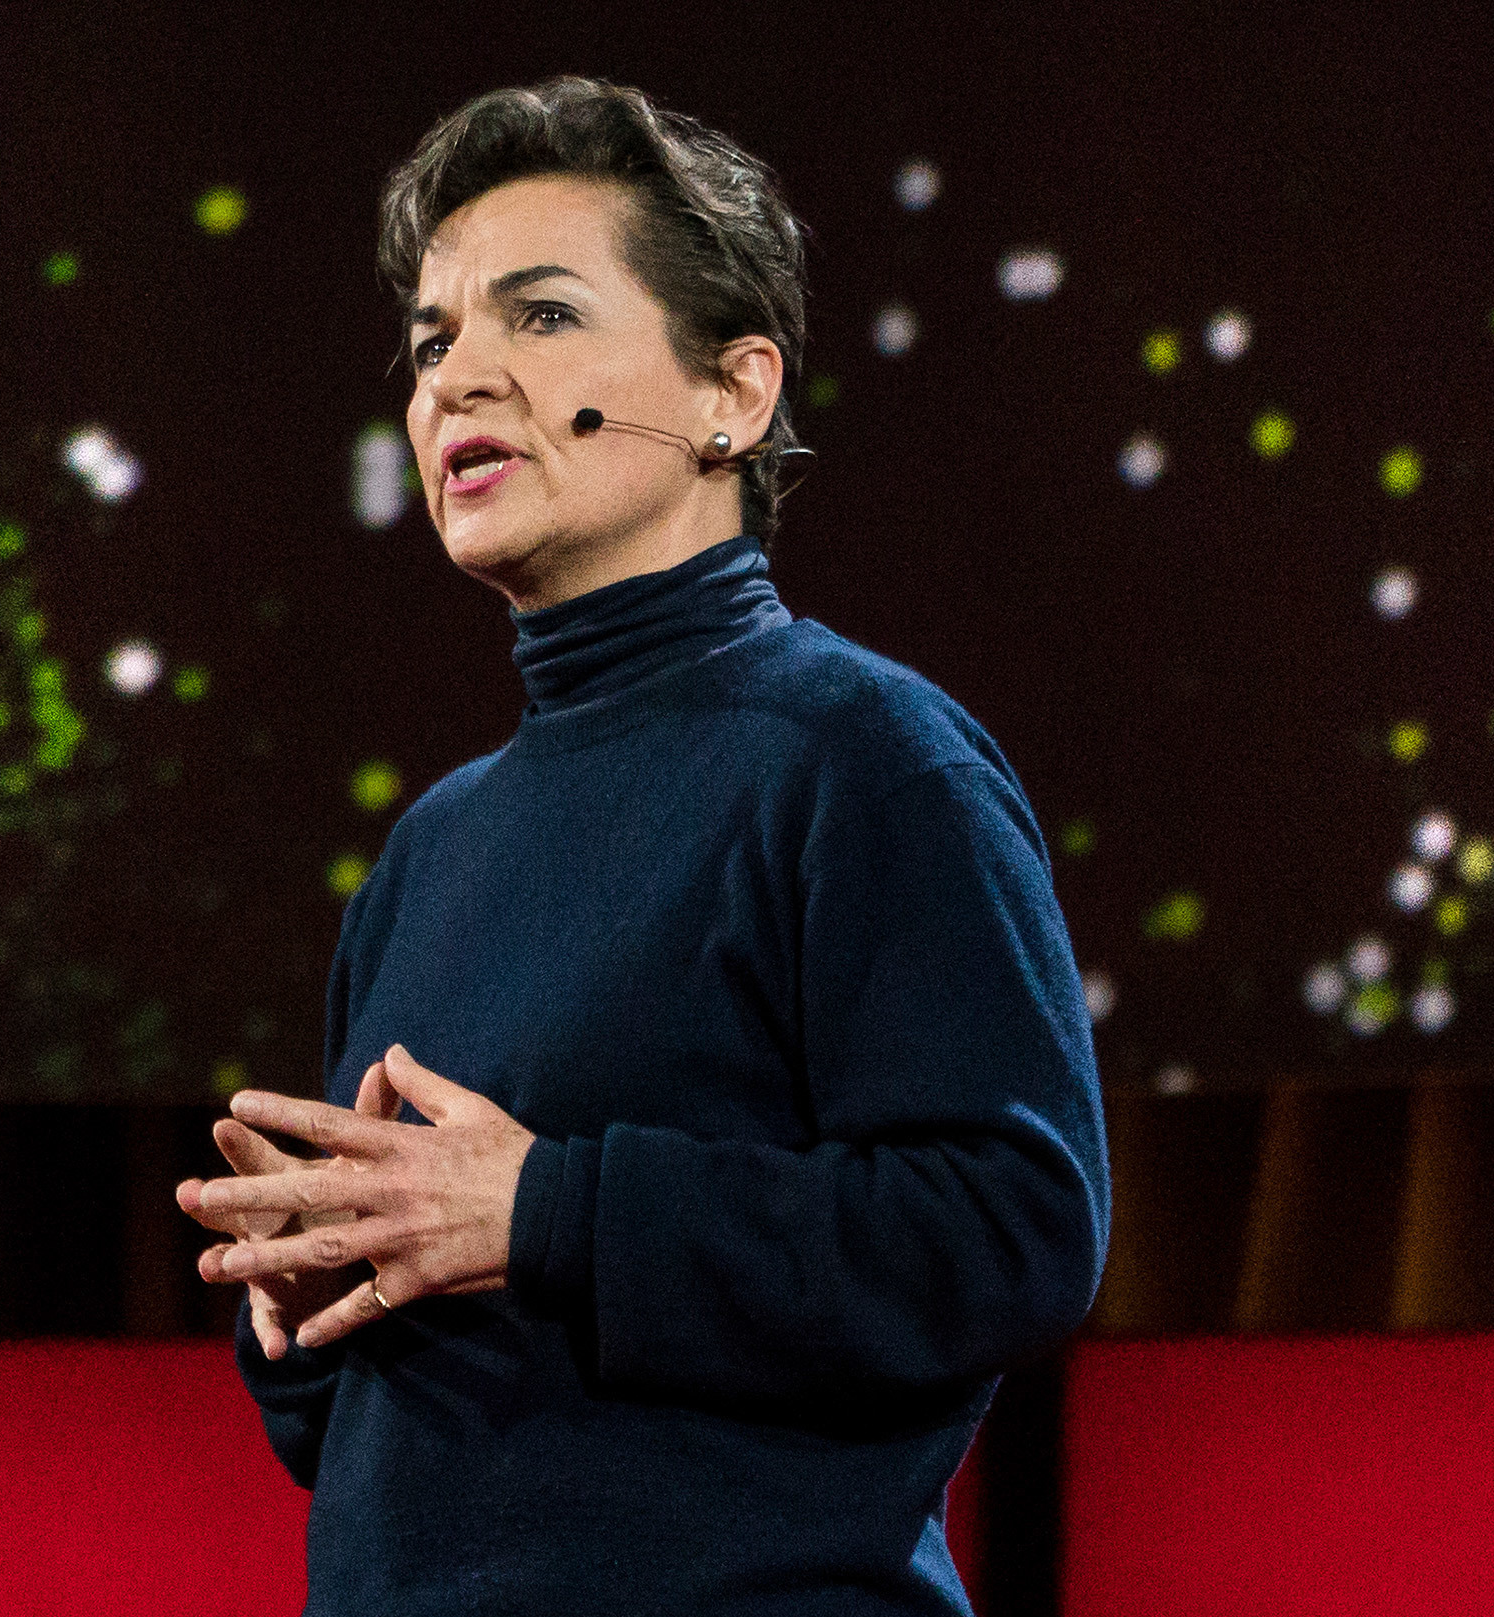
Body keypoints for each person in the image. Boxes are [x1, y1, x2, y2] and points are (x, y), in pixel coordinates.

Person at [175, 76, 1109, 1616]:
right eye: (430, 342)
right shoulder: (428, 853)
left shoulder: (864, 758)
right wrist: (310, 1299)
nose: (458, 378)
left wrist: (547, 1213)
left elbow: (1008, 1234)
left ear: (732, 393)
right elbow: (363, 1436)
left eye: (540, 317)